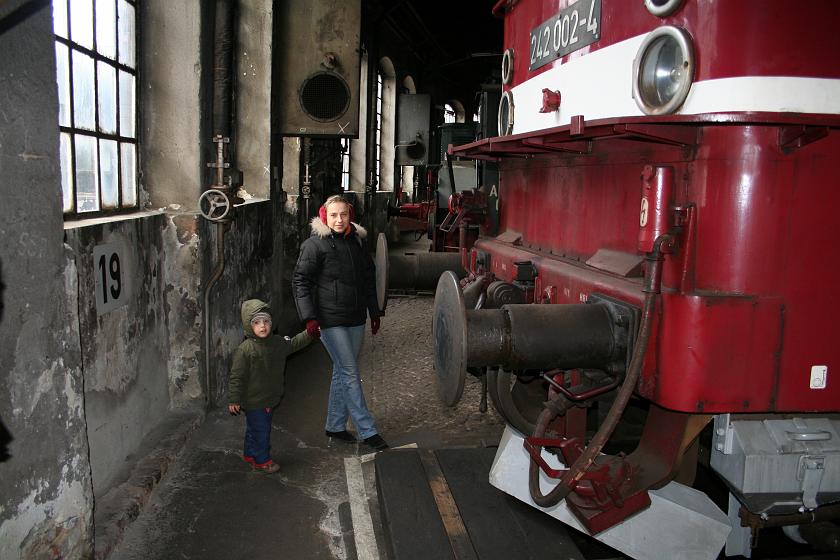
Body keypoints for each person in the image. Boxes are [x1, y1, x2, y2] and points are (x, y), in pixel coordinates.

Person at [292, 194, 388, 451]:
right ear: (325, 216)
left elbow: (369, 279)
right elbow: (300, 281)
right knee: (349, 372)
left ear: (350, 216)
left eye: (343, 214)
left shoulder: (356, 242)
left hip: (355, 317)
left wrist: (374, 312)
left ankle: (334, 425)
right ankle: (367, 430)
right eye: (333, 215)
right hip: (329, 319)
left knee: (342, 370)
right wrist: (310, 317)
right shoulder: (314, 245)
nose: (338, 219)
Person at [228, 299, 314, 473]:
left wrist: (309, 333)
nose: (263, 326)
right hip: (254, 400)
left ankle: (250, 453)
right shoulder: (245, 350)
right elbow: (237, 376)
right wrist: (234, 399)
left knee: (254, 428)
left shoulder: (277, 342)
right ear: (248, 325)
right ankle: (263, 460)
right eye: (257, 322)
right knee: (262, 431)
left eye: (266, 321)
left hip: (269, 396)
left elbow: (294, 343)